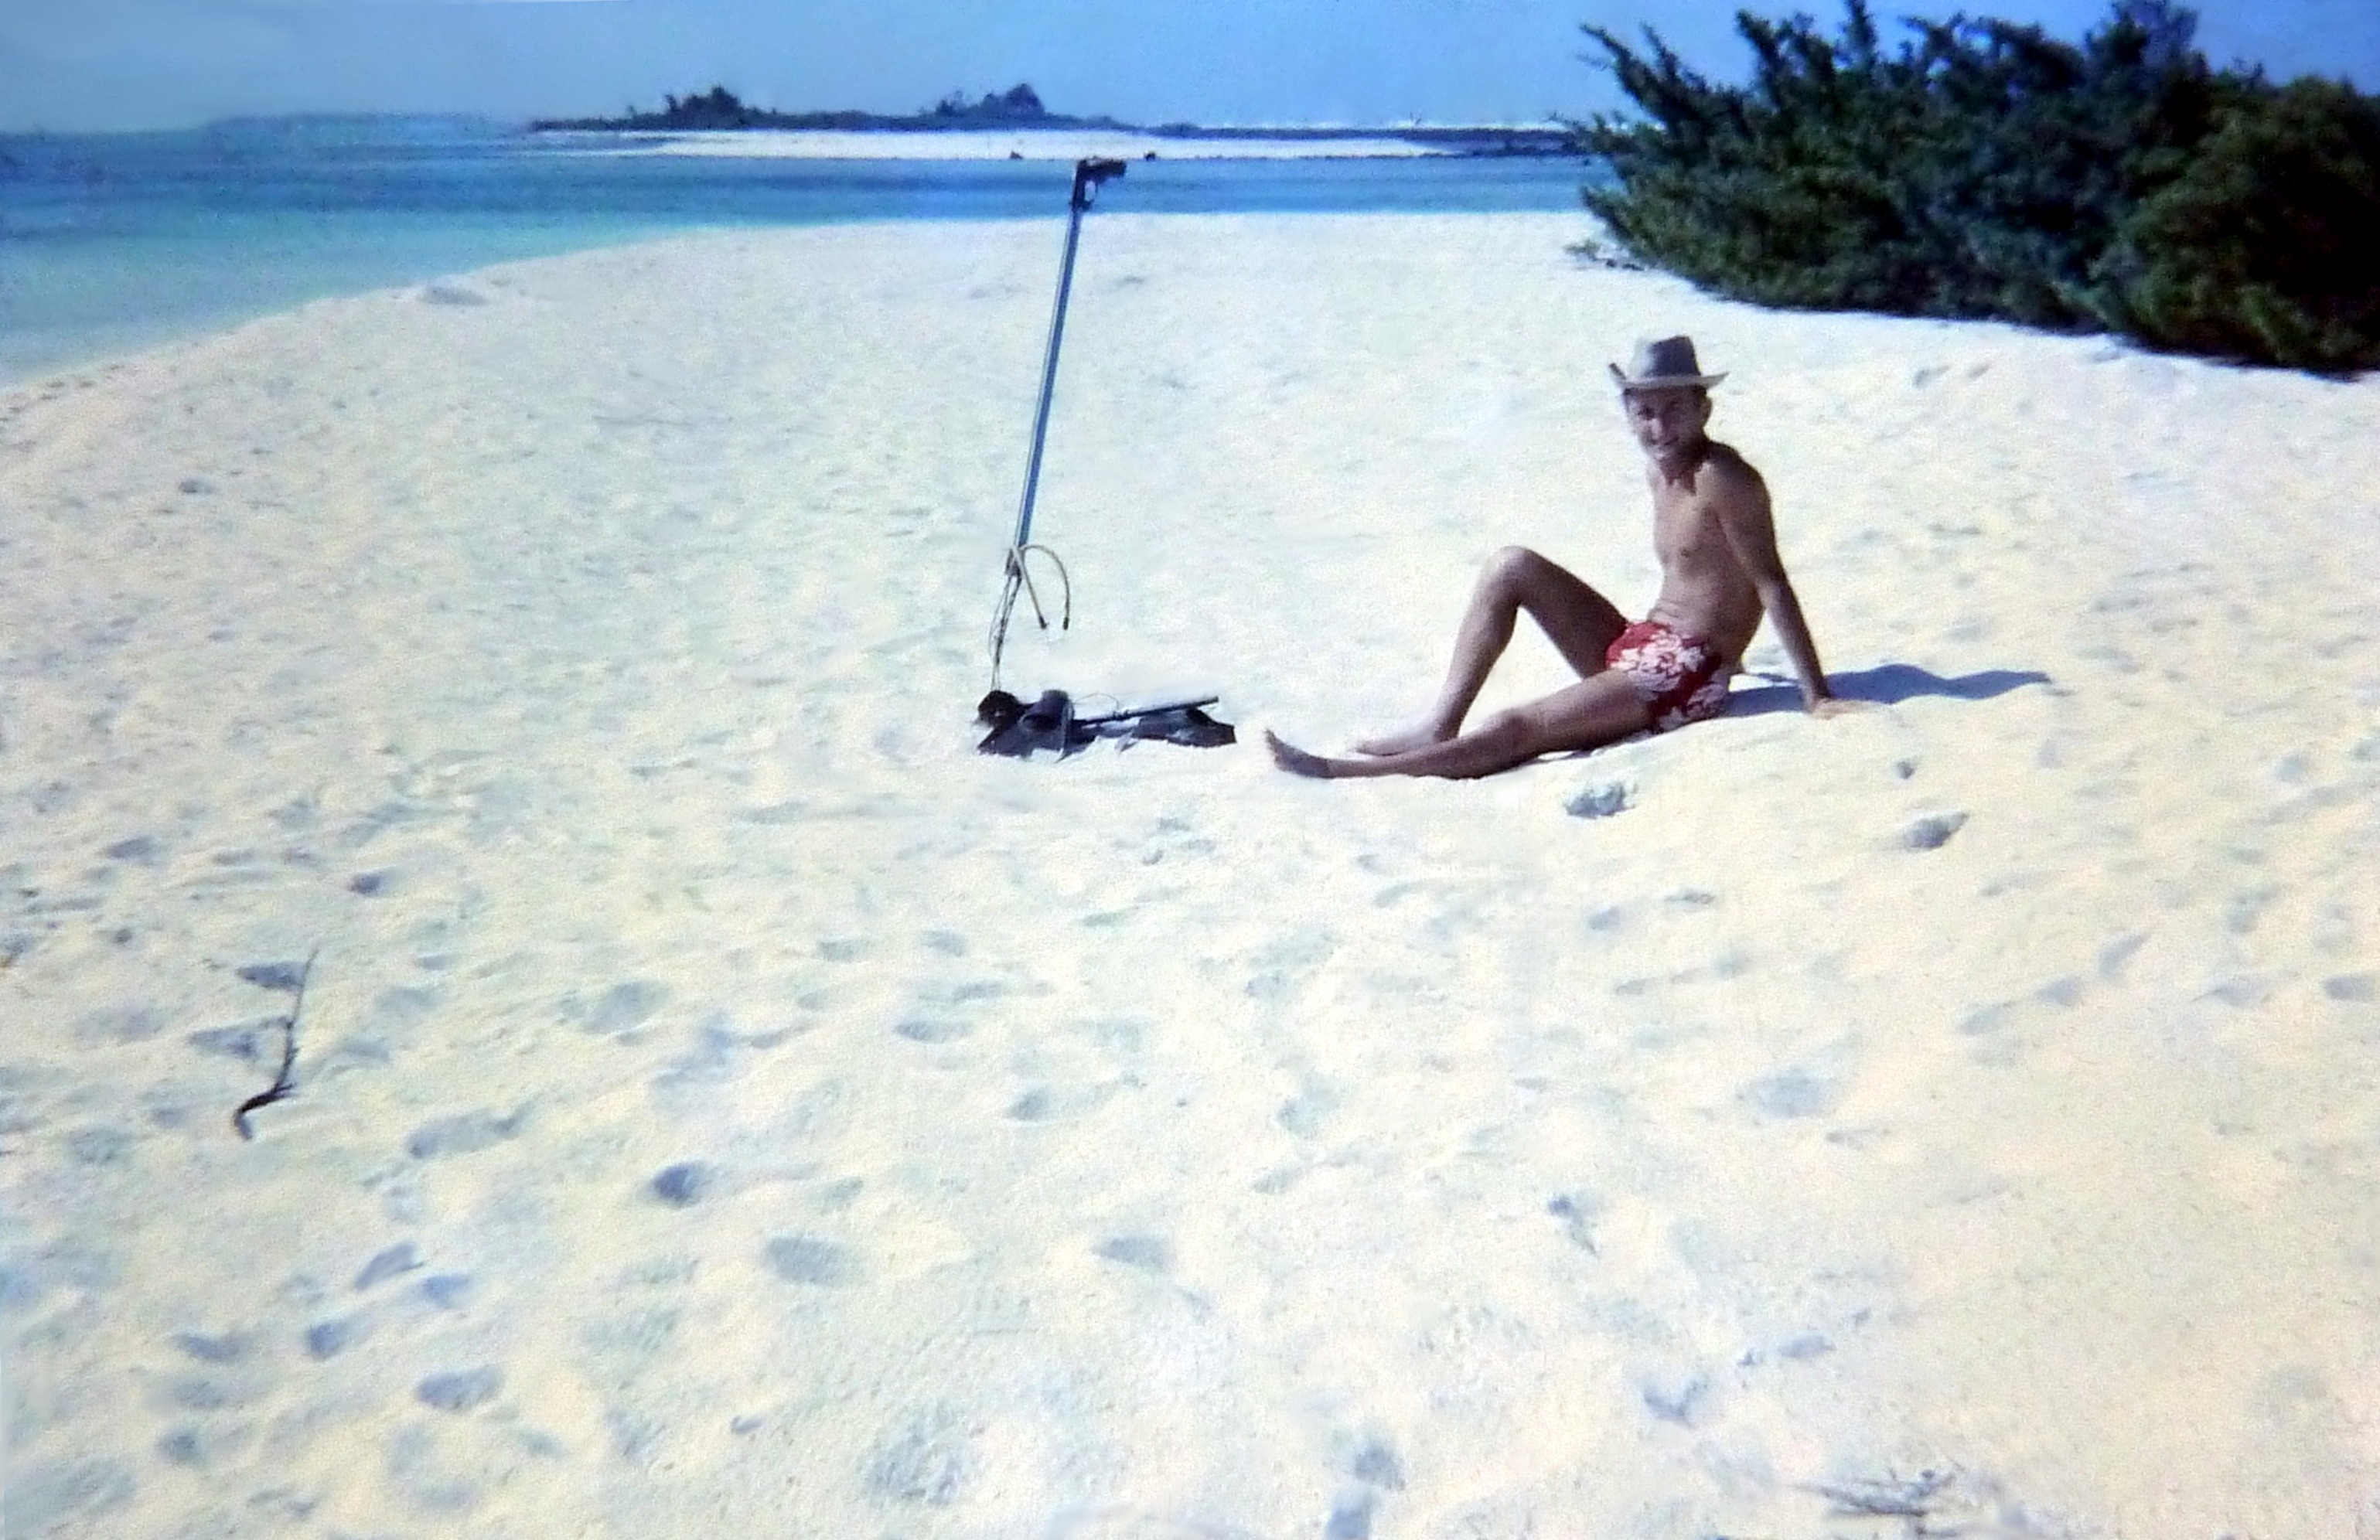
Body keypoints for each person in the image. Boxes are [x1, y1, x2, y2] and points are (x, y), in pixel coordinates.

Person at [1265, 336, 1853, 780]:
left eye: (1674, 409)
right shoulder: (1660, 471)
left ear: (1705, 410)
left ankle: (1346, 773)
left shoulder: (1725, 478)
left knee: (1519, 726)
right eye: (1644, 412)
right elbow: (1701, 574)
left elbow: (1771, 584)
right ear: (1627, 412)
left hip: (1687, 674)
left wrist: (1817, 695)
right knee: (1511, 565)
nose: (1659, 427)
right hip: (1645, 643)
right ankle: (1439, 723)